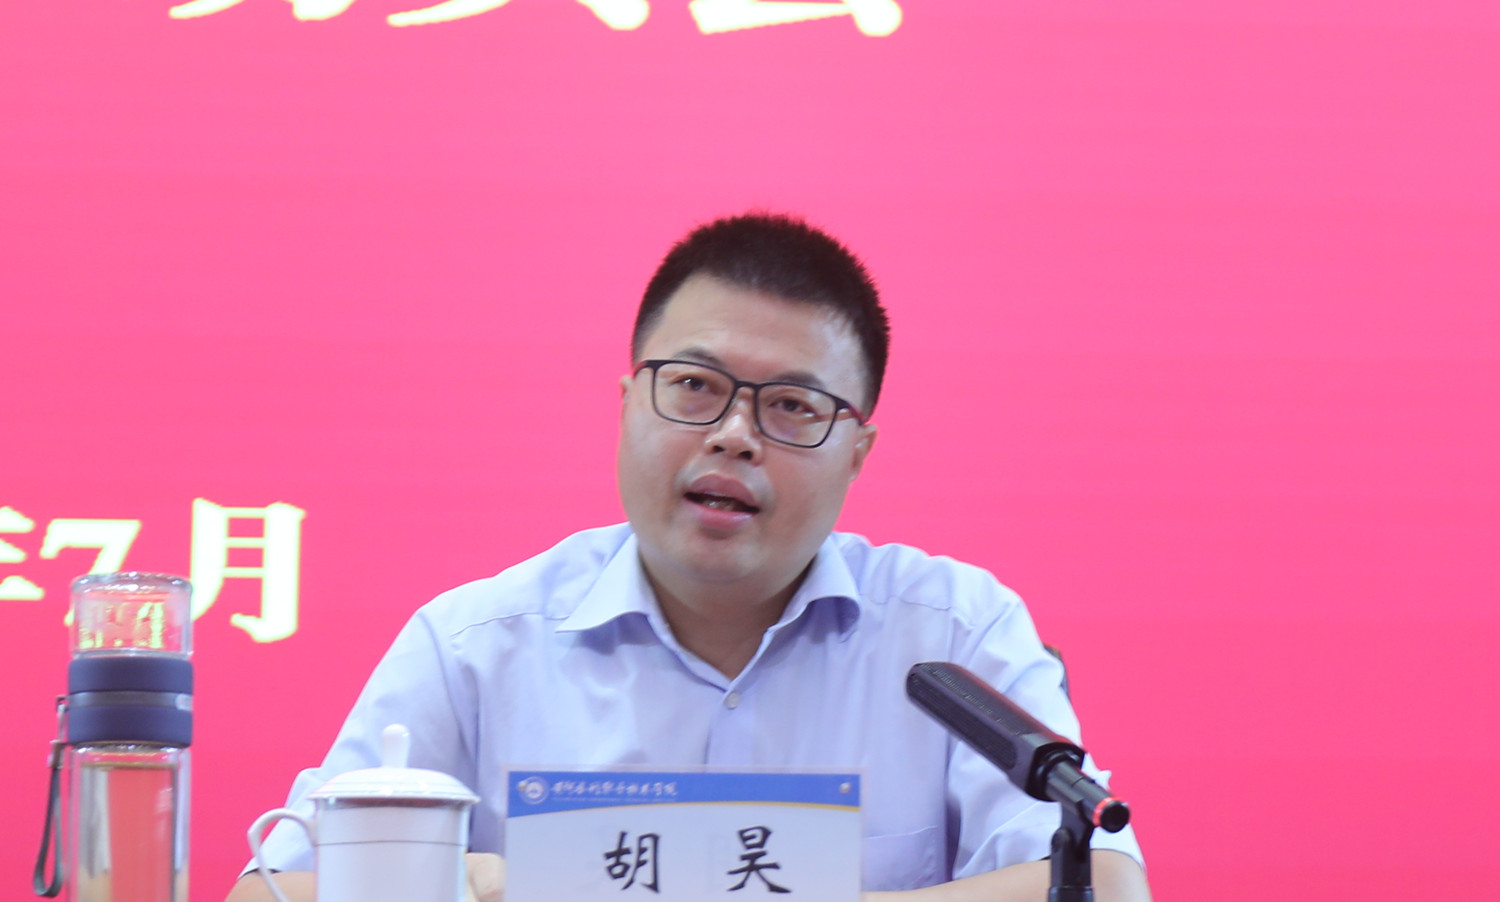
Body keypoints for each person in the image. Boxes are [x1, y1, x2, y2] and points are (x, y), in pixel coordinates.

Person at [227, 213, 1150, 902]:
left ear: (858, 452)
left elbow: (1104, 882)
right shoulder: (477, 647)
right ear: (627, 403)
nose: (735, 435)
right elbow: (268, 891)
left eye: (793, 407)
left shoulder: (951, 635)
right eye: (696, 387)